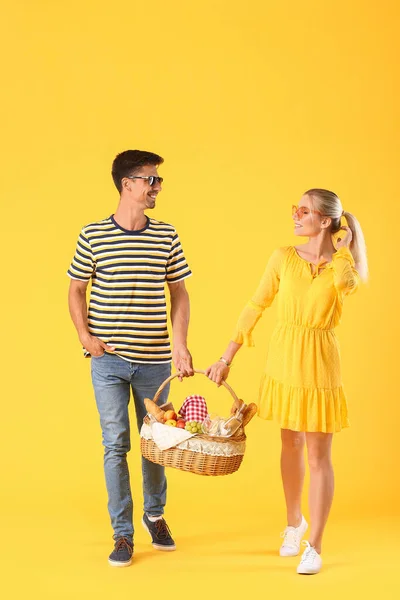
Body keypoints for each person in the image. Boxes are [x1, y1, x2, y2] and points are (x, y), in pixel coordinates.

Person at [206, 189, 367, 575]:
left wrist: (345, 244)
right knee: (290, 442)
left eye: (304, 211)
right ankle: (294, 523)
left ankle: (316, 545)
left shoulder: (340, 265)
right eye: (295, 209)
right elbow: (256, 304)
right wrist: (227, 357)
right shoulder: (282, 257)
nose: (295, 215)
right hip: (284, 360)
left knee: (318, 455)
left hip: (321, 363)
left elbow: (350, 285)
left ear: (325, 221)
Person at [67, 150, 194, 567]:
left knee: (157, 444)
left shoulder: (166, 235)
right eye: (151, 180)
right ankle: (122, 534)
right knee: (115, 443)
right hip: (108, 362)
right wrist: (86, 335)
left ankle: (154, 516)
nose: (157, 187)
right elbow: (75, 289)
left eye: (158, 181)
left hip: (155, 363)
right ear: (128, 184)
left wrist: (180, 344)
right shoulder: (93, 235)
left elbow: (179, 292)